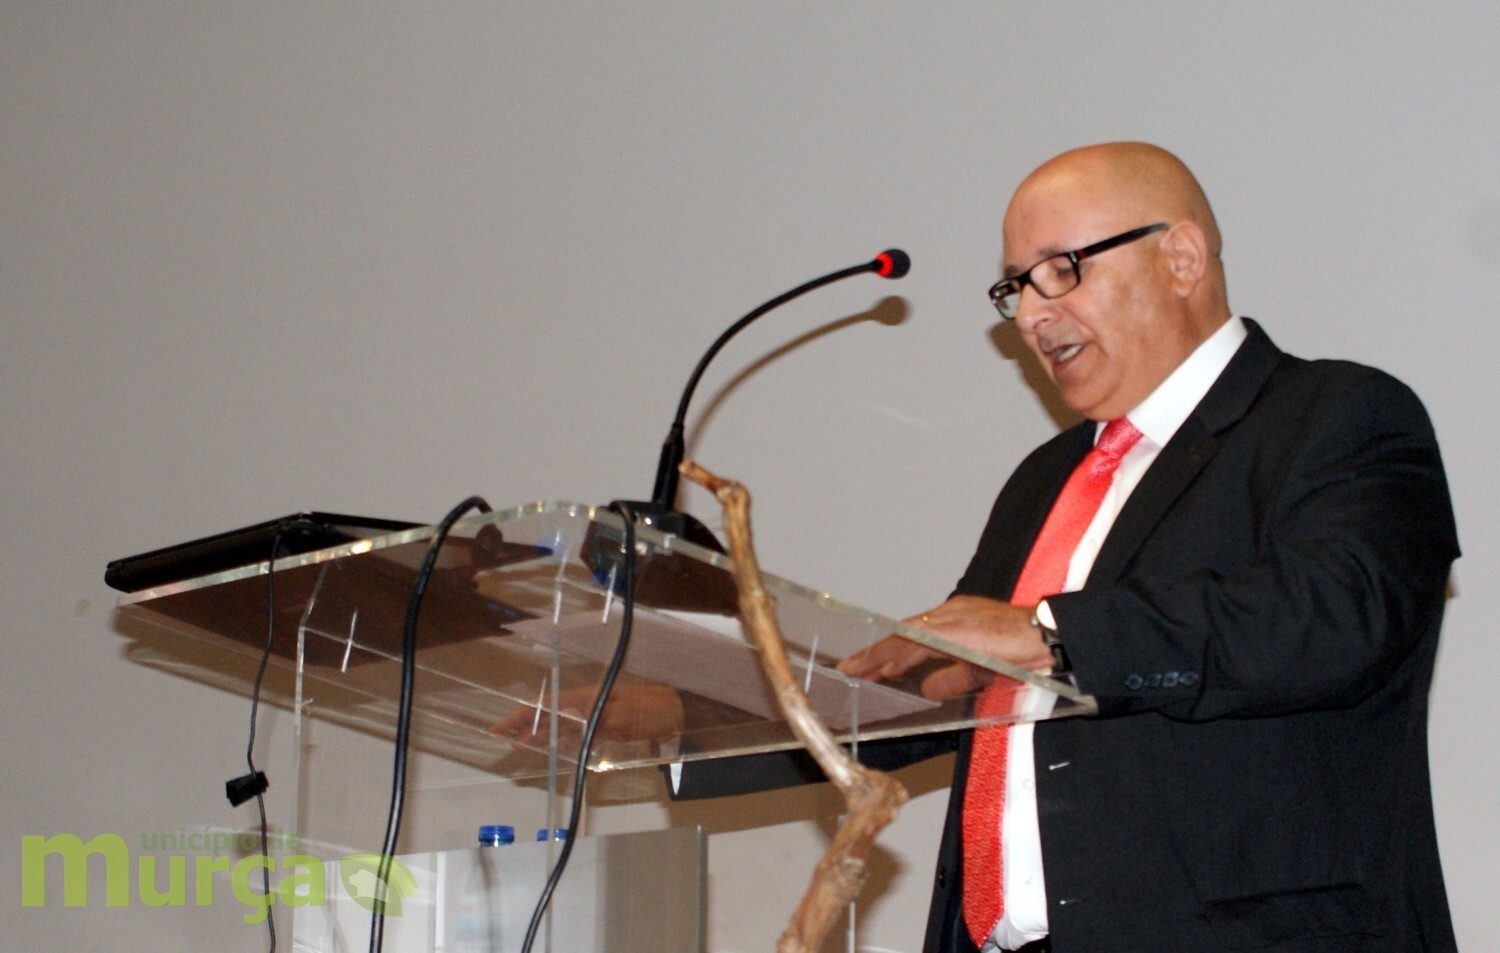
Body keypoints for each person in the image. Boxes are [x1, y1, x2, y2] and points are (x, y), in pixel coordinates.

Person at [672, 142, 1460, 953]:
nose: (1027, 315)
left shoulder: (1335, 415)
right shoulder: (1045, 480)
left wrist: (1051, 633)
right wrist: (682, 714)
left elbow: (1339, 616)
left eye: (1060, 270)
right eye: (1016, 285)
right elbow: (938, 690)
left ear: (1181, 259)